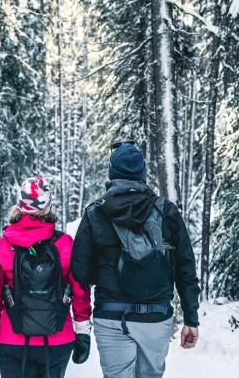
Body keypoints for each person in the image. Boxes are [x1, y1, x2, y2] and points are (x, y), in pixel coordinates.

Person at [71, 142, 200, 378]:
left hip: (110, 315)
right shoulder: (166, 211)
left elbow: (80, 273)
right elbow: (185, 268)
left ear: (112, 173)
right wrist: (191, 318)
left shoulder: (95, 213)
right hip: (156, 315)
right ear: (142, 173)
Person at [0, 176, 92, 378]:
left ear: (20, 205)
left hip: (11, 340)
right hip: (58, 340)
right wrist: (83, 331)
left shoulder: (4, 245)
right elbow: (80, 290)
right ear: (48, 206)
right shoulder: (65, 243)